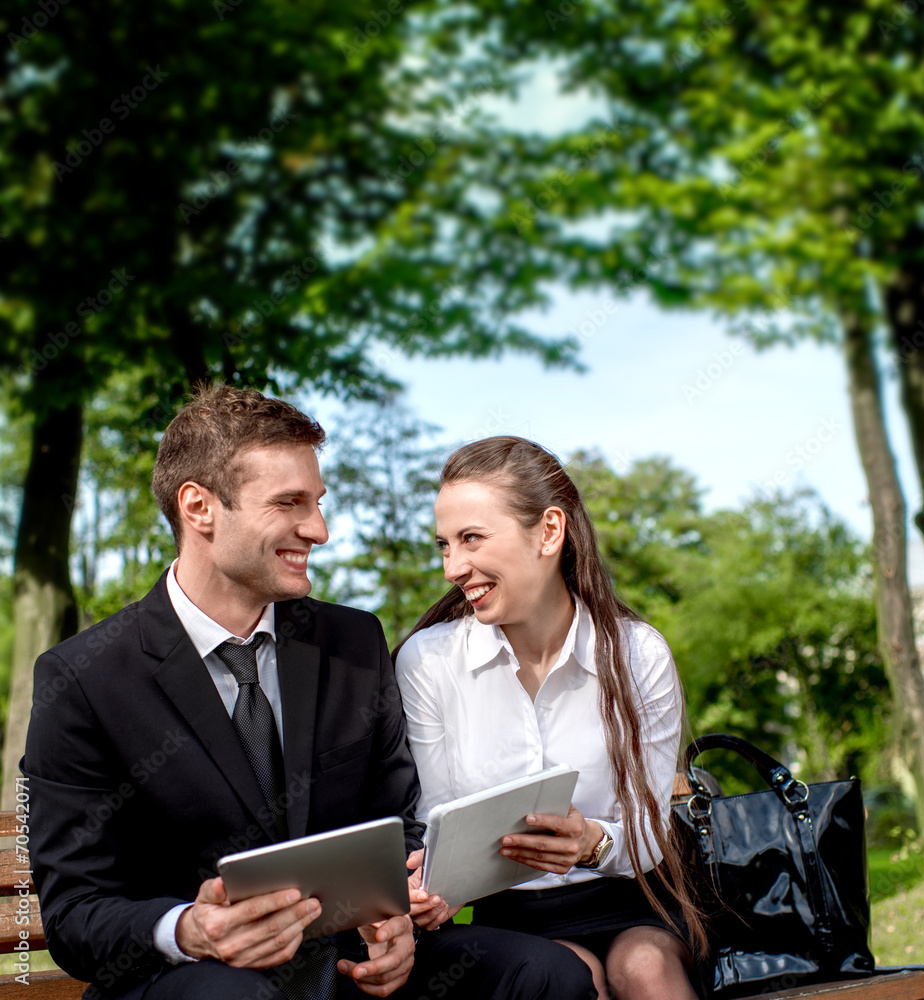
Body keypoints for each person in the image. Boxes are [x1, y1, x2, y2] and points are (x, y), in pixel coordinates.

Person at [22, 387, 596, 1000]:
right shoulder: (83, 679)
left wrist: (394, 919)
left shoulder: (353, 642)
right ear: (199, 508)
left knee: (546, 975)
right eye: (290, 503)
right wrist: (193, 930)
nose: (318, 530)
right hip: (190, 981)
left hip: (349, 967)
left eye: (318, 502)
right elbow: (74, 914)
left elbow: (399, 827)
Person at [395, 436, 708, 1000]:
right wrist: (435, 886)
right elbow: (437, 816)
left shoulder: (638, 655)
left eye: (471, 539)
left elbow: (649, 834)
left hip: (635, 902)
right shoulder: (428, 662)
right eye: (444, 545)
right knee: (568, 973)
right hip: (511, 920)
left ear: (549, 532)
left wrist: (591, 843)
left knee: (644, 968)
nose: (452, 567)